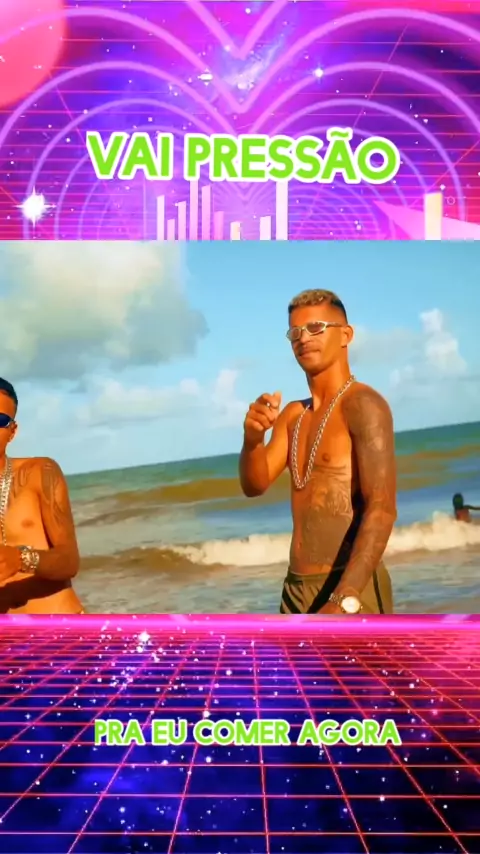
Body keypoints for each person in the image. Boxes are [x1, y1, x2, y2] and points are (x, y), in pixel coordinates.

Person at [239, 289, 396, 615]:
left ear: (346, 335)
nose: (304, 339)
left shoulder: (363, 405)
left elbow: (381, 509)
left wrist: (344, 597)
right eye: (295, 332)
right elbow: (255, 485)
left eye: (315, 328)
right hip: (294, 589)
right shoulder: (293, 416)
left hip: (350, 585)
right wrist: (253, 439)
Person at [0, 377, 84, 614]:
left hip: (59, 626)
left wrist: (21, 559)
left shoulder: (40, 472)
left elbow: (69, 561)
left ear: (12, 431)